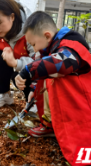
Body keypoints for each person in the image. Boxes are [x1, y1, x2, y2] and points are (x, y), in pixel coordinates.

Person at [15, 11, 91, 165]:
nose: (34, 50)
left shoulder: (71, 43)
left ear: (47, 36)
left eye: (34, 44)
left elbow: (63, 63)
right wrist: (34, 91)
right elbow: (46, 72)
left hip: (83, 103)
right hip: (68, 103)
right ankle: (51, 124)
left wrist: (28, 70)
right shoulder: (51, 48)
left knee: (55, 71)